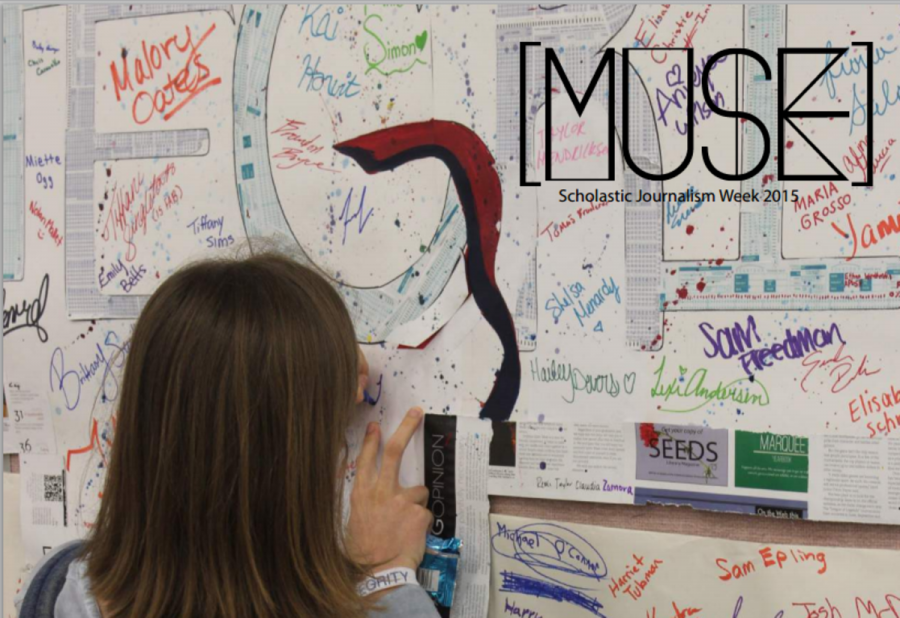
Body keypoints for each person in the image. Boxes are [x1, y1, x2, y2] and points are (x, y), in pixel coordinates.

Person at [16, 252, 439, 618]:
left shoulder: (55, 587)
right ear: (287, 476)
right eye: (327, 438)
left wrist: (311, 371)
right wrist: (387, 575)